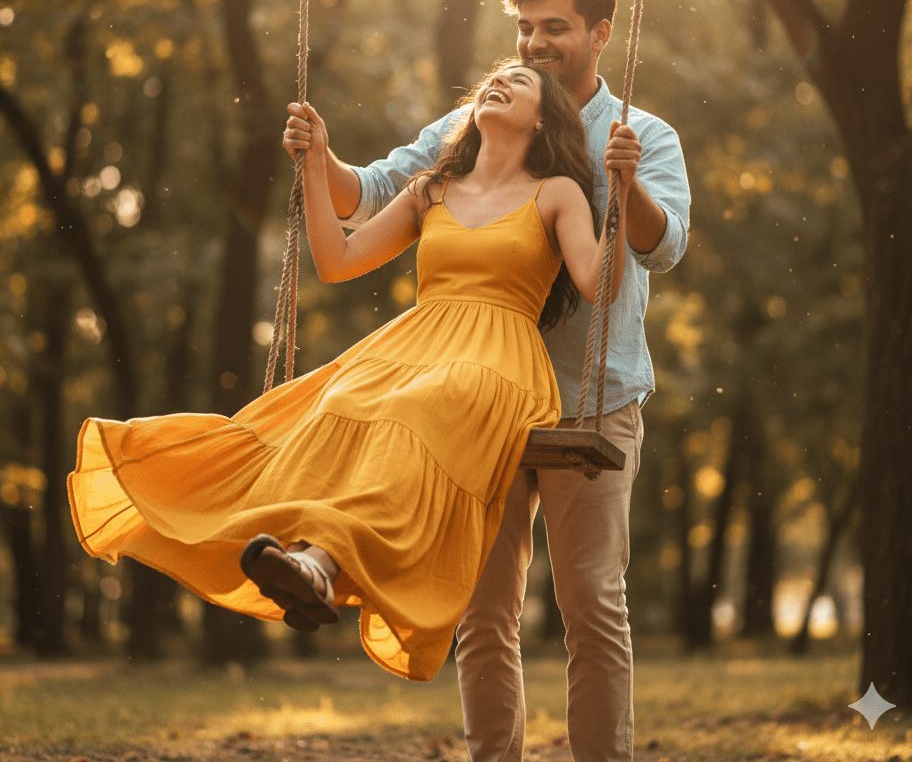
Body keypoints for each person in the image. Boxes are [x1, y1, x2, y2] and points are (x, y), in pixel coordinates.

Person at [67, 56, 634, 682]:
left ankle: (321, 565)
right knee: (339, 403)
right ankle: (313, 567)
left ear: (542, 119)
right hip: (415, 344)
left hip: (498, 357)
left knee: (413, 407)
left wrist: (622, 194)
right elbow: (337, 260)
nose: (501, 82)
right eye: (495, 78)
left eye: (519, 83)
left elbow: (596, 285)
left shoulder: (556, 193)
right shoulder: (432, 189)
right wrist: (316, 162)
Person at [283, 0, 690, 760]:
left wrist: (625, 182)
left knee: (591, 604)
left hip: (589, 399)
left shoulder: (641, 136)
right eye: (524, 29)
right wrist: (315, 154)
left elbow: (662, 246)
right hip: (465, 401)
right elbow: (363, 193)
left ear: (600, 33)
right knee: (482, 609)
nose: (535, 44)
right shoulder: (464, 132)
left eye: (555, 28)